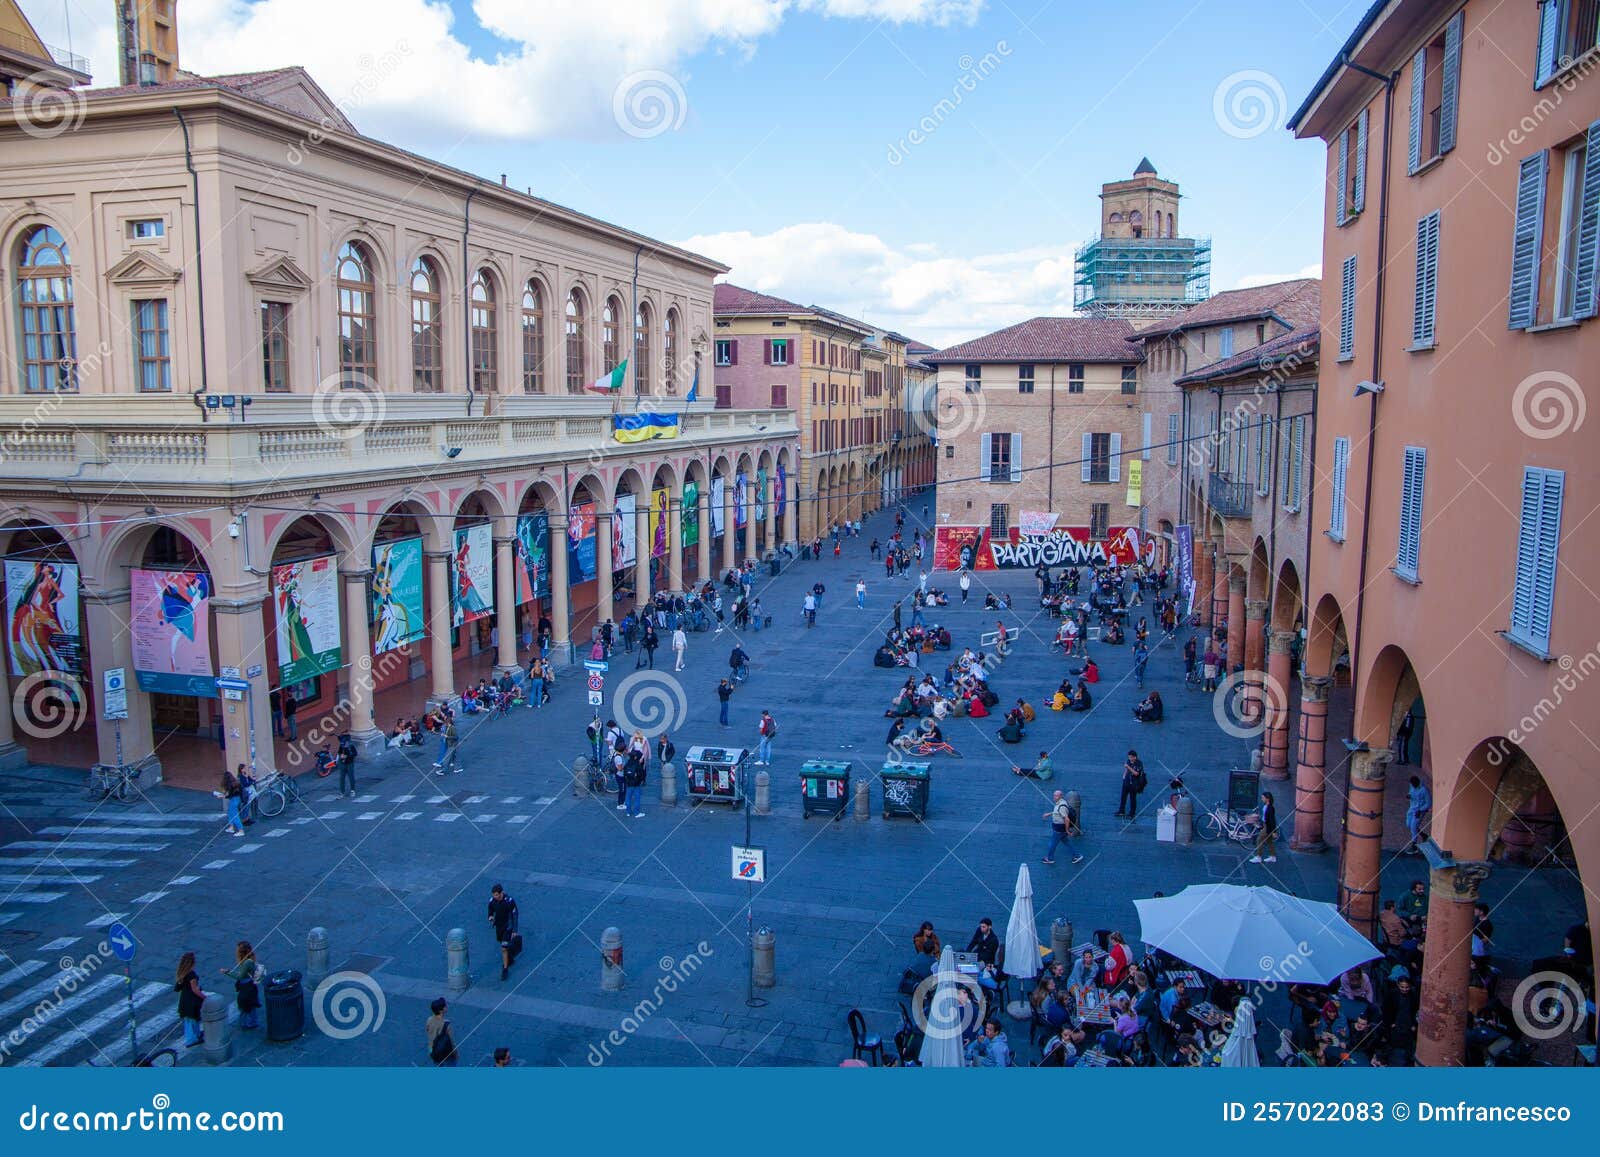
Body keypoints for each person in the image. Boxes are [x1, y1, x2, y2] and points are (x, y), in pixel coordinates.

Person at [219, 941, 262, 1031]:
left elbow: (240, 976)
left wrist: (227, 972)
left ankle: (248, 1023)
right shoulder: (248, 960)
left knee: (245, 1005)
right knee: (250, 1005)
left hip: (247, 987)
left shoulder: (247, 963)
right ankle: (251, 1022)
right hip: (248, 985)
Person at [488, 884, 520, 981]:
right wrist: (490, 916)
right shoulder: (492, 901)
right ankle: (509, 958)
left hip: (508, 926)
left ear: (501, 893)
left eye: (497, 895)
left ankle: (505, 969)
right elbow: (490, 910)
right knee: (502, 944)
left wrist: (514, 929)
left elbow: (515, 914)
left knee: (503, 948)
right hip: (499, 926)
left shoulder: (509, 901)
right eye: (494, 895)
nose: (495, 897)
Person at [175, 951, 206, 1047]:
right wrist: (205, 997)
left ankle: (196, 1035)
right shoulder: (191, 975)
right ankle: (191, 1039)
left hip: (184, 1000)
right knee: (192, 1020)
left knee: (190, 1020)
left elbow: (178, 987)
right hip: (191, 1001)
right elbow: (195, 990)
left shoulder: (182, 973)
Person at [1042, 790, 1083, 865]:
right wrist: (1049, 814)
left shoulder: (1062, 806)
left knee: (1052, 844)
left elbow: (1066, 819)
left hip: (1059, 829)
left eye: (1056, 796)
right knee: (1066, 842)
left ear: (1061, 796)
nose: (1054, 797)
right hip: (1060, 829)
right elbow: (1058, 812)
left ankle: (1050, 858)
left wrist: (1067, 830)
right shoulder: (1060, 803)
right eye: (1054, 795)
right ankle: (1077, 855)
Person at [1249, 790, 1278, 863]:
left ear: (1267, 799)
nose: (1262, 799)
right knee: (1269, 841)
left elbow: (1272, 820)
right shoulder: (1266, 806)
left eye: (1263, 798)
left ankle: (1258, 857)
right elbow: (1265, 817)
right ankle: (1273, 856)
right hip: (1265, 825)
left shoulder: (1270, 808)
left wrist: (1274, 831)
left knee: (1259, 839)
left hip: (1267, 826)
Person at [426, 997, 457, 1066]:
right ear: (441, 1010)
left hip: (433, 1051)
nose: (447, 1006)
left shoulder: (429, 1020)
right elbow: (452, 1042)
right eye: (445, 1006)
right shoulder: (446, 1024)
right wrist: (456, 1053)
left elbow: (429, 1032)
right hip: (446, 1053)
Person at [1405, 775, 1432, 853]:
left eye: (1413, 784)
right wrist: (1409, 796)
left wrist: (1420, 810)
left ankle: (1414, 845)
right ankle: (1424, 835)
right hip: (1411, 808)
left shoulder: (1424, 790)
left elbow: (1429, 803)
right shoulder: (1412, 786)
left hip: (1419, 810)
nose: (1412, 786)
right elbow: (1410, 792)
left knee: (1413, 826)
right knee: (1409, 825)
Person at [215, 767, 244, 837]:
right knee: (230, 812)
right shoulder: (235, 782)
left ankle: (241, 831)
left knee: (234, 815)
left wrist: (222, 796)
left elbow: (230, 795)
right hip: (237, 799)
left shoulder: (231, 785)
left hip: (234, 800)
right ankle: (231, 827)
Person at [1116, 750, 1146, 817]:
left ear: (1135, 757)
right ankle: (1121, 811)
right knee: (1123, 797)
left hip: (1134, 783)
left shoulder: (1139, 763)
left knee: (1132, 798)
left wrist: (1128, 767)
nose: (1130, 759)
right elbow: (1127, 769)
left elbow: (1136, 773)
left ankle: (1132, 813)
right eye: (1129, 757)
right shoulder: (1128, 761)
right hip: (1126, 782)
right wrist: (1124, 775)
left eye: (1131, 757)